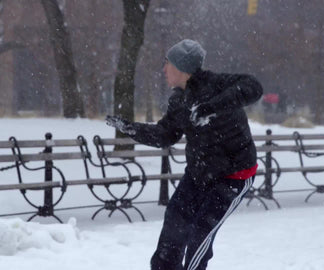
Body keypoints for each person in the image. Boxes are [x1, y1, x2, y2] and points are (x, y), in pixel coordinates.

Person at [106, 39, 263, 270]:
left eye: (166, 63)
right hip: (199, 174)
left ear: (181, 67)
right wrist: (132, 129)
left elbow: (253, 87)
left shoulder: (217, 84)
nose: (163, 69)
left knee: (201, 231)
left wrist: (211, 108)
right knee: (175, 222)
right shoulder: (179, 100)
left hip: (234, 176)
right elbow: (165, 135)